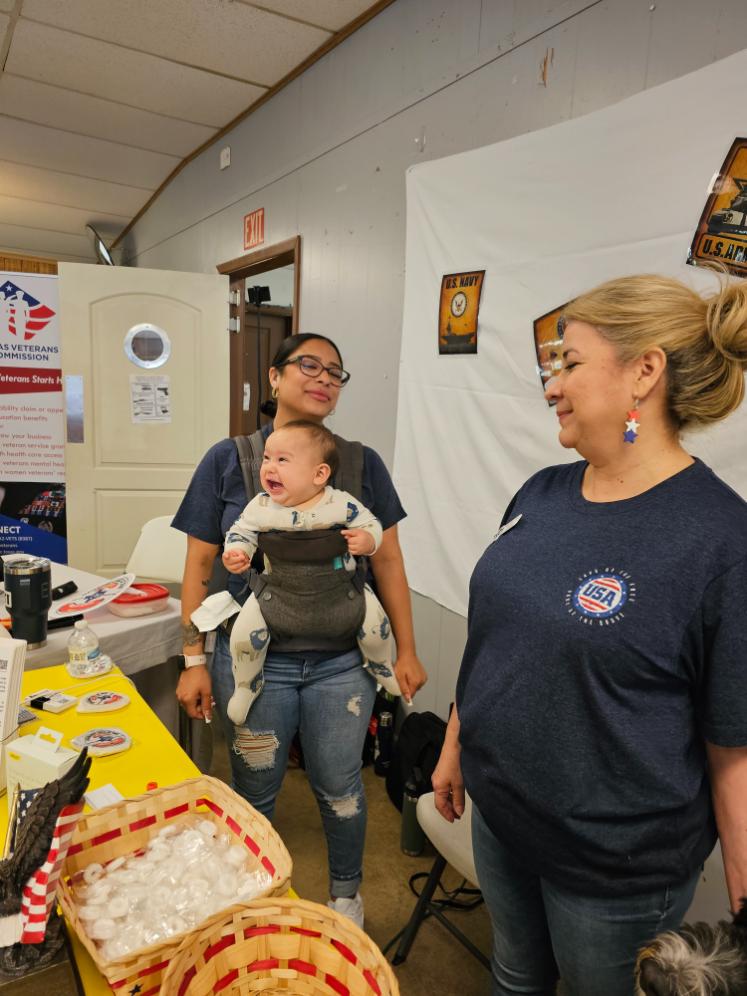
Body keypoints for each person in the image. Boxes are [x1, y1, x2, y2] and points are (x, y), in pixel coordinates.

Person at [432, 273, 747, 996]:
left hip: (614, 866)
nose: (552, 387)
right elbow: (496, 642)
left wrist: (740, 886)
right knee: (513, 976)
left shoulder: (719, 541)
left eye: (569, 363)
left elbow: (731, 741)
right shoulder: (540, 492)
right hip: (503, 816)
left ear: (643, 372)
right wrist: (455, 746)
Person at [173, 333, 427, 928]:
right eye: (308, 365)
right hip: (252, 659)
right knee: (253, 785)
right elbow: (198, 567)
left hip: (342, 664)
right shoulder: (230, 459)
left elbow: (387, 561)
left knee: (340, 786)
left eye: (336, 371)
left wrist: (408, 649)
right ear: (274, 377)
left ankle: (346, 896)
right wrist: (191, 658)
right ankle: (250, 897)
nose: (323, 377)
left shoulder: (361, 464)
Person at [220, 419, 399, 725]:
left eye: (282, 460)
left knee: (376, 628)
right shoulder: (261, 507)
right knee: (244, 637)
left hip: (342, 593)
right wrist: (236, 553)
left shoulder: (340, 503)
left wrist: (367, 540)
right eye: (266, 458)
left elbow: (372, 524)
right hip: (277, 594)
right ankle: (247, 685)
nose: (269, 467)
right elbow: (241, 532)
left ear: (319, 474)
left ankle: (381, 664)